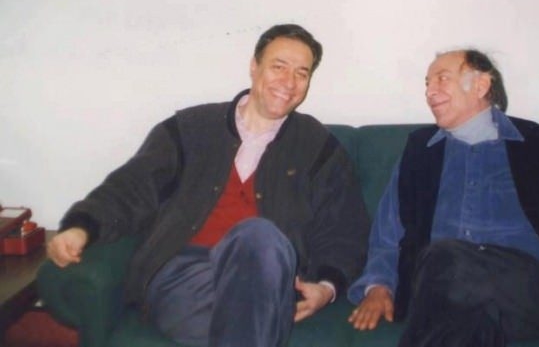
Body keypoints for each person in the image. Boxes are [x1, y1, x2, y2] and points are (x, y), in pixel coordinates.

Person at [47, 23, 370, 347]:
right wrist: (82, 227)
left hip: (268, 279)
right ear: (254, 66)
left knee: (258, 237)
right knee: (254, 313)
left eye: (302, 73)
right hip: (185, 277)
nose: (289, 82)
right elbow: (133, 186)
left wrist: (327, 287)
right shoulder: (190, 129)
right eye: (279, 67)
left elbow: (344, 229)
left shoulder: (317, 146)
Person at [347, 49, 539, 347]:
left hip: (529, 290)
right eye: (427, 83)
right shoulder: (419, 151)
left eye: (442, 79)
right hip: (440, 288)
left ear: (481, 85)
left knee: (446, 259)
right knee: (461, 311)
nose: (429, 91)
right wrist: (379, 286)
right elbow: (388, 230)